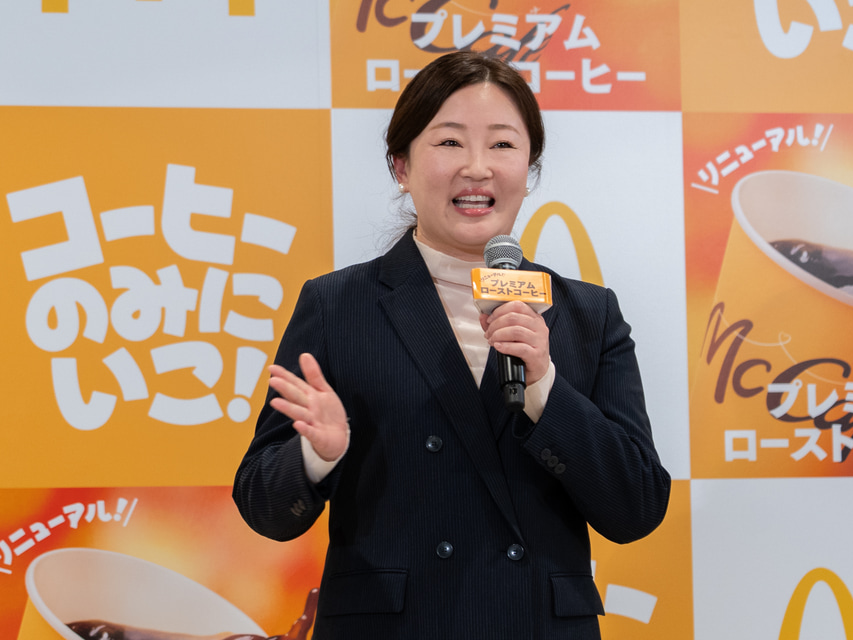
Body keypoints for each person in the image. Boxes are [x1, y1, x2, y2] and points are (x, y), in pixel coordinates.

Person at [233, 50, 671, 640]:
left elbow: (637, 508)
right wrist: (316, 455)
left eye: (502, 144)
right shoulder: (338, 306)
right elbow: (263, 507)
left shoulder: (588, 315)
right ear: (401, 166)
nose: (477, 167)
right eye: (449, 142)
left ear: (530, 169)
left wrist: (544, 387)